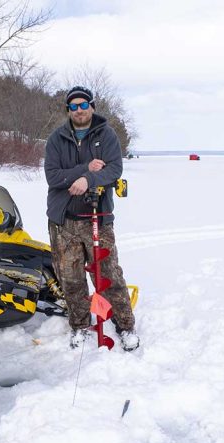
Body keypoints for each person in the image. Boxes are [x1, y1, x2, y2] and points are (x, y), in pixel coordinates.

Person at [44, 86, 140, 351]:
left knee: (108, 275)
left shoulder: (106, 135)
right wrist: (84, 169)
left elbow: (114, 170)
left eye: (83, 105)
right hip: (63, 220)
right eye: (73, 106)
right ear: (68, 111)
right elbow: (53, 176)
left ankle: (125, 326)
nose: (79, 110)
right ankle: (80, 326)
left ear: (92, 107)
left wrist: (89, 180)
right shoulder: (56, 138)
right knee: (70, 279)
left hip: (98, 218)